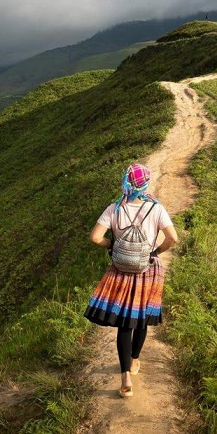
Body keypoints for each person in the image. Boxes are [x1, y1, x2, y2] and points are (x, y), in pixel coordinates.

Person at [84, 163, 179, 397]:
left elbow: (95, 238)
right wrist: (155, 252)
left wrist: (113, 245)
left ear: (125, 181)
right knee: (141, 319)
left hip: (121, 271)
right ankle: (135, 360)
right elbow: (173, 238)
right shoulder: (156, 209)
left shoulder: (114, 208)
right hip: (147, 270)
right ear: (145, 183)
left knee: (124, 324)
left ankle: (125, 375)